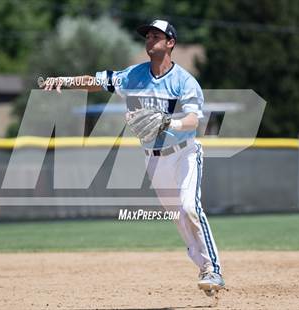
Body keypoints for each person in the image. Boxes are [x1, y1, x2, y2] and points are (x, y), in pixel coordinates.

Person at [41, 19, 225, 295]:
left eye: (156, 36)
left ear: (170, 43)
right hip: (154, 158)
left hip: (184, 153)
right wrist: (65, 81)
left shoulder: (184, 81)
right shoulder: (134, 75)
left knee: (189, 208)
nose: (150, 40)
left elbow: (192, 121)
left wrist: (168, 124)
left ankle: (215, 271)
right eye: (147, 36)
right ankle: (203, 268)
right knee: (177, 216)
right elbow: (98, 81)